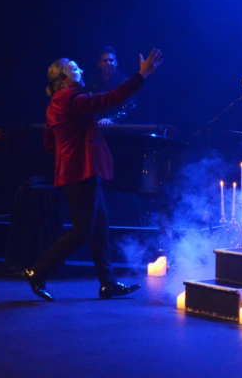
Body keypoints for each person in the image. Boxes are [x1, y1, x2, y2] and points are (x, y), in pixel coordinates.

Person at [24, 48, 163, 301]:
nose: (81, 70)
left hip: (78, 171)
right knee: (82, 232)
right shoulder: (72, 100)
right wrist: (142, 75)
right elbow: (112, 97)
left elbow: (49, 143)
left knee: (99, 229)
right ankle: (37, 270)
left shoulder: (57, 103)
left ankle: (107, 283)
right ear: (63, 79)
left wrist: (69, 150)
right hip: (81, 172)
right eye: (74, 68)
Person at [87, 46, 134, 124]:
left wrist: (111, 119)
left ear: (116, 63)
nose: (108, 63)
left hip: (119, 128)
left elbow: (129, 109)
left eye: (111, 60)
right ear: (99, 64)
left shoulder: (126, 83)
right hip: (95, 125)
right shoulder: (91, 82)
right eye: (104, 61)